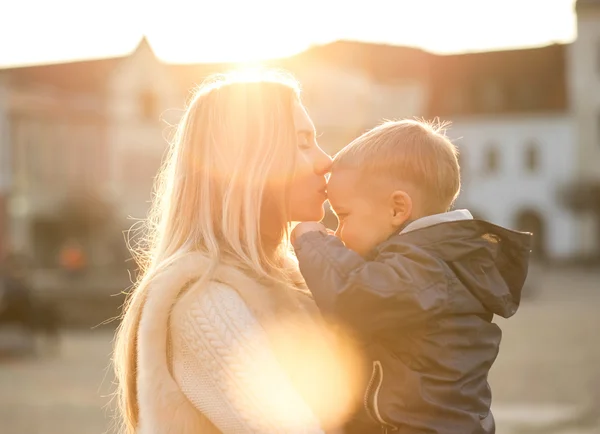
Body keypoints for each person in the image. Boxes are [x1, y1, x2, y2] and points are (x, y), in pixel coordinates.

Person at [112, 71, 364, 434]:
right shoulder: (202, 298)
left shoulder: (292, 279)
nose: (326, 161)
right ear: (251, 161)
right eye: (304, 143)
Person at [292, 119, 533, 434]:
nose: (338, 232)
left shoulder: (428, 268)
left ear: (397, 209)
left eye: (344, 216)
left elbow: (357, 296)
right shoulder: (435, 261)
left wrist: (312, 240)